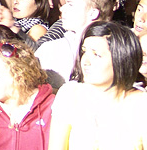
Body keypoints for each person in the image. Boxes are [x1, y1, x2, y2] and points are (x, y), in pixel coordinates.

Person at [48, 21, 147, 149]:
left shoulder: (140, 104)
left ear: (121, 59)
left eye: (97, 55)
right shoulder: (70, 94)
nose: (86, 61)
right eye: (84, 52)